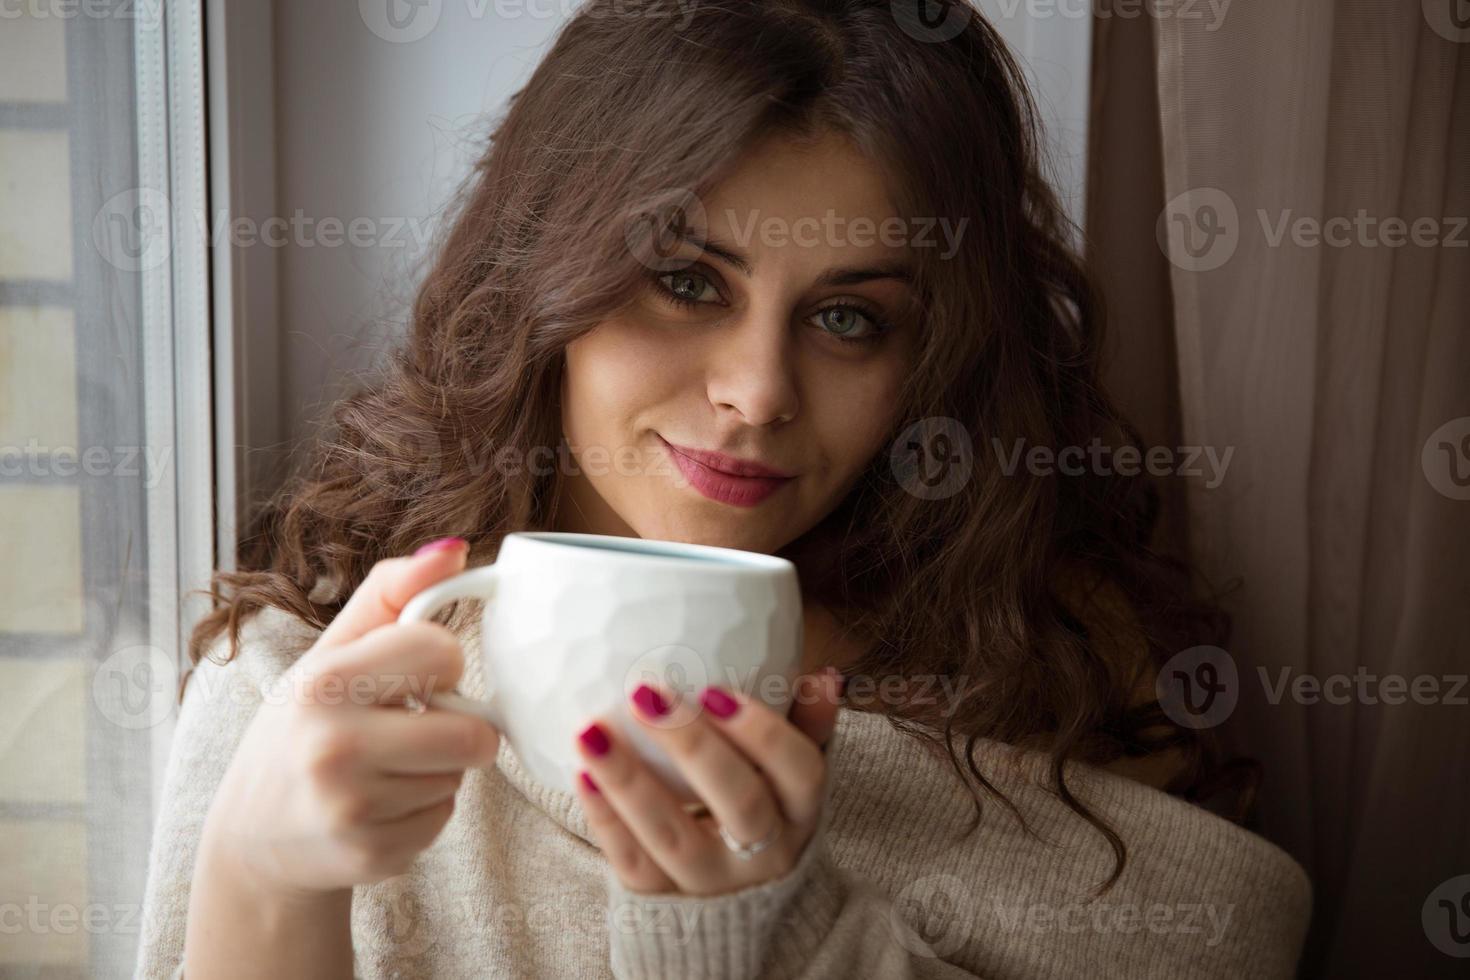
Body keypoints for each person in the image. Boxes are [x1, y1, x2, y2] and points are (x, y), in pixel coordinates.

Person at [135, 1, 1311, 976]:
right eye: (689, 283)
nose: (757, 390)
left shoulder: (1058, 708)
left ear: (938, 360)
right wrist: (259, 873)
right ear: (548, 274)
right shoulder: (308, 695)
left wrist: (767, 936)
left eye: (849, 317)